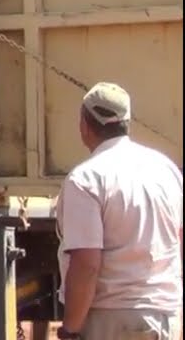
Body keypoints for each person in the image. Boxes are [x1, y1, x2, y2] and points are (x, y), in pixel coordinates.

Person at [54, 82, 182, 340]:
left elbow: (87, 264)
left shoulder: (86, 179)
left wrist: (70, 329)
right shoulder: (166, 169)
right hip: (165, 316)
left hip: (112, 320)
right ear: (127, 122)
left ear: (84, 125)